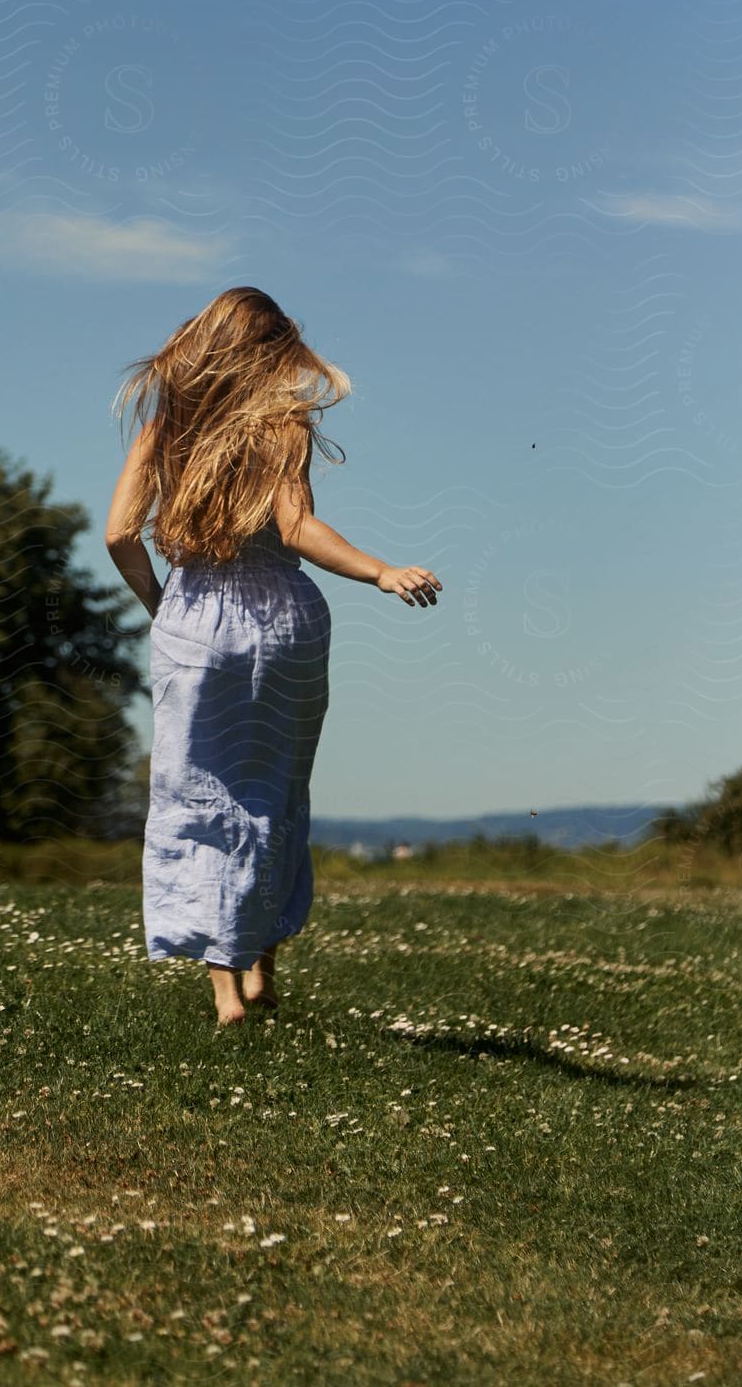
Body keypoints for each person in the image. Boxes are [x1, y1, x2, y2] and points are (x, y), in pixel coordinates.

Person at [104, 286, 441, 1027]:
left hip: (196, 618)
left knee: (201, 795)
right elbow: (298, 529)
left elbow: (120, 536)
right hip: (284, 621)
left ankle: (227, 993)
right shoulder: (282, 428)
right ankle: (262, 967)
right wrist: (380, 570)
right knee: (274, 792)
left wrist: (167, 613)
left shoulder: (164, 431)